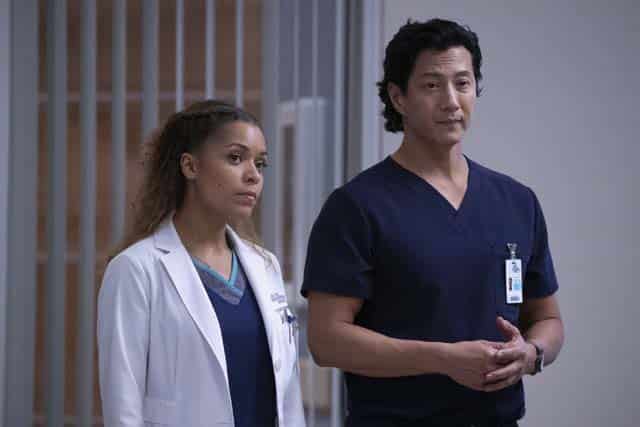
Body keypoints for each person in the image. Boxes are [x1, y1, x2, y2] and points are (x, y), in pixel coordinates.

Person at [302, 19, 564, 427]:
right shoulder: (357, 207)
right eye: (431, 85)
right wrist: (443, 359)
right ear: (398, 97)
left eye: (463, 83)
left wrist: (532, 354)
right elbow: (326, 340)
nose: (451, 101)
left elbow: (547, 319)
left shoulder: (516, 201)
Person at [97, 100, 305, 427]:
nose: (253, 176)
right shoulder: (135, 270)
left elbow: (288, 393)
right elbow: (123, 406)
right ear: (190, 166)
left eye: (260, 163)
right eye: (235, 158)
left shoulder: (266, 266)